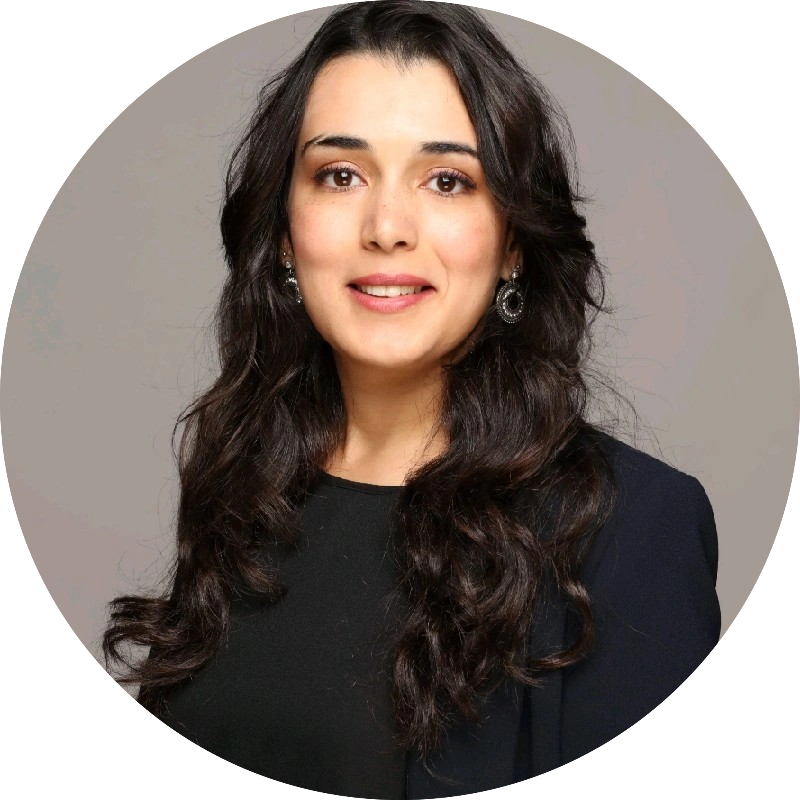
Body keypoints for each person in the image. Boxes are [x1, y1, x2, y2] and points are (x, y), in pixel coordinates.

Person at [102, 1, 765, 797]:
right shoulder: (240, 488)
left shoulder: (636, 527)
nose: (387, 226)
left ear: (512, 242)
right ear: (283, 234)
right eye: (340, 175)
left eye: (447, 181)